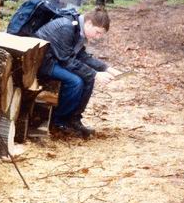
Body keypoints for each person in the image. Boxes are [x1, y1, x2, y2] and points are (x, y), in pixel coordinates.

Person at [35, 7, 121, 137]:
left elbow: (80, 55)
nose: (98, 37)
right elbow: (67, 61)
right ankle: (58, 121)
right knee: (75, 82)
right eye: (98, 32)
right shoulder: (67, 27)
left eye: (101, 34)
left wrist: (106, 68)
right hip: (42, 62)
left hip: (56, 60)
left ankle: (74, 119)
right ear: (89, 23)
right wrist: (95, 73)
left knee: (88, 78)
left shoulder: (76, 28)